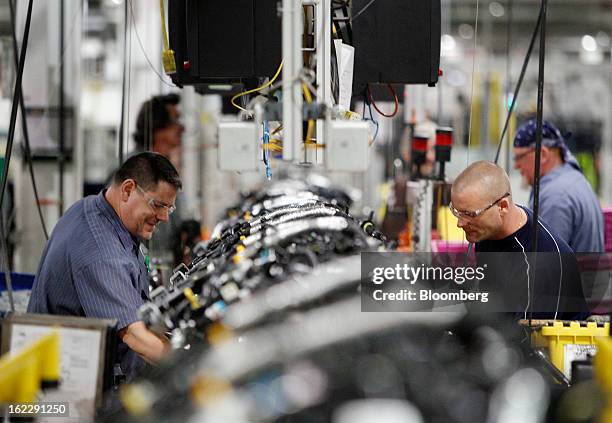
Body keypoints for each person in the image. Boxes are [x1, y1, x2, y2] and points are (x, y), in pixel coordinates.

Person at [28, 152, 181, 381]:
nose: (164, 217)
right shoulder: (101, 253)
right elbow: (135, 337)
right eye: (158, 205)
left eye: (169, 208)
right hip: (65, 387)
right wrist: (191, 369)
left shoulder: (92, 208)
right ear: (128, 190)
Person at [450, 160, 588, 319]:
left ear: (502, 206)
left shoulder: (542, 262)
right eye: (456, 212)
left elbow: (529, 339)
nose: (460, 223)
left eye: (469, 214)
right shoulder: (487, 232)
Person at [513, 119, 604, 253]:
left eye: (520, 157)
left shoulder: (555, 198)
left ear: (542, 154)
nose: (516, 165)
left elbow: (545, 265)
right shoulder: (576, 179)